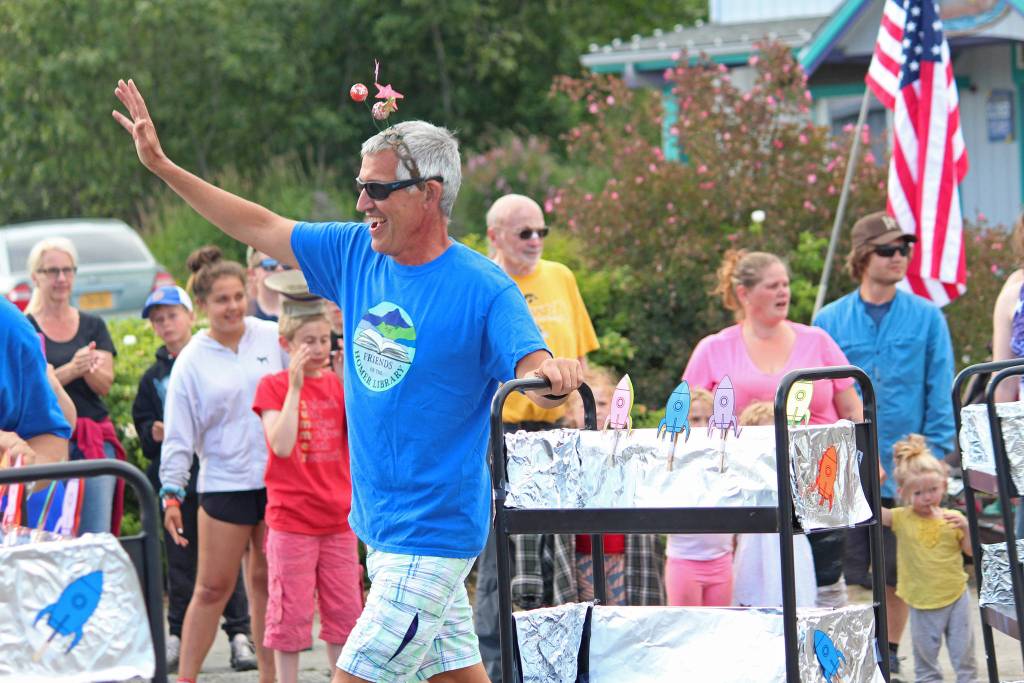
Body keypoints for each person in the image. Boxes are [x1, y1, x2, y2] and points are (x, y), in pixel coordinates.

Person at [114, 79, 582, 683]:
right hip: (379, 531)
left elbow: (532, 365)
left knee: (351, 676)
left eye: (378, 189)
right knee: (456, 674)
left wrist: (552, 376)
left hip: (435, 536)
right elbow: (256, 224)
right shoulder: (356, 253)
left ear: (429, 195)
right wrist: (162, 166)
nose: (362, 203)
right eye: (360, 187)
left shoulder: (484, 287)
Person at [814, 211, 956, 677]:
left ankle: (890, 652)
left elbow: (940, 388)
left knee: (897, 571)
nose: (899, 258)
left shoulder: (927, 316)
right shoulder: (829, 319)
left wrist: (932, 457)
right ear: (861, 257)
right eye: (888, 250)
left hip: (907, 465)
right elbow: (822, 395)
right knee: (847, 568)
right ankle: (851, 648)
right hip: (846, 464)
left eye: (904, 250)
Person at [682, 249, 863, 609]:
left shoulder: (817, 341)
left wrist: (865, 460)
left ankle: (823, 658)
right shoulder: (713, 348)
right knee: (751, 585)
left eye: (786, 284)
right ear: (744, 293)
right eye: (772, 286)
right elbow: (685, 416)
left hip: (819, 477)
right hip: (744, 483)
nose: (784, 292)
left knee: (826, 586)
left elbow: (852, 408)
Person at [475, 193, 601, 679]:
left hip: (559, 433)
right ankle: (497, 665)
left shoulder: (560, 277)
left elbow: (581, 357)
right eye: (523, 232)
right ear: (495, 236)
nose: (534, 241)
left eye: (541, 232)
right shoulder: (485, 282)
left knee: (560, 557)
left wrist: (580, 413)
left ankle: (559, 662)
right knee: (500, 556)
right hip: (503, 432)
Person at [158, 247, 287, 683]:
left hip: (276, 482)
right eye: (221, 299)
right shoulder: (191, 360)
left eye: (237, 297)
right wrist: (171, 492)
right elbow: (178, 435)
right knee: (212, 588)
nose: (232, 307)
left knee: (268, 585)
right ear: (202, 306)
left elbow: (302, 393)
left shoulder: (270, 337)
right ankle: (187, 677)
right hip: (223, 485)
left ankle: (271, 677)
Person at [131, 285, 257, 672]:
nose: (166, 324)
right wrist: (153, 430)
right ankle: (178, 637)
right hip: (183, 486)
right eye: (158, 319)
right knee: (187, 566)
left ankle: (240, 634)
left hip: (222, 482)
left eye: (172, 315)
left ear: (190, 314)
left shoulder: (218, 355)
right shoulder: (153, 377)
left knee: (232, 568)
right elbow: (144, 427)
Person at [252, 281, 362, 683]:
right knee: (288, 617)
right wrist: (296, 387)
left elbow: (362, 438)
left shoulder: (336, 383)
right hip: (292, 522)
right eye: (307, 341)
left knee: (345, 615)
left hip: (337, 521)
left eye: (323, 339)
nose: (317, 348)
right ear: (286, 343)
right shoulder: (273, 386)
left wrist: (349, 377)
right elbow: (280, 446)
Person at [24, 237, 126, 535]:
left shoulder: (93, 324)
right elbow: (30, 389)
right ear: (36, 277)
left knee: (95, 533)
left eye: (68, 270)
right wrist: (73, 369)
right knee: (47, 532)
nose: (61, 279)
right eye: (52, 271)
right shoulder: (26, 327)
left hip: (93, 436)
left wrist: (80, 370)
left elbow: (105, 384)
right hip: (45, 440)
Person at [879, 435, 978, 683]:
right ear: (902, 493)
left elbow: (970, 553)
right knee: (925, 660)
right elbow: (872, 511)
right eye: (918, 492)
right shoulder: (900, 517)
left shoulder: (953, 517)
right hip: (921, 601)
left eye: (933, 490)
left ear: (943, 486)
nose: (927, 497)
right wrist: (874, 481)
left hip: (956, 596)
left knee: (964, 656)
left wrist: (966, 528)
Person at [246, 247, 286, 322]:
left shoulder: (302, 309)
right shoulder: (245, 315)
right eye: (270, 264)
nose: (280, 268)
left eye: (285, 264)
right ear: (252, 274)